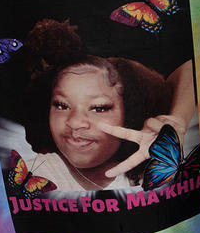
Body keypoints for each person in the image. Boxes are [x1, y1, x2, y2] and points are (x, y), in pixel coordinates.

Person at [23, 19, 172, 191]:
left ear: (132, 115)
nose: (75, 122)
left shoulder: (157, 169)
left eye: (98, 108)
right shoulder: (34, 174)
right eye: (61, 105)